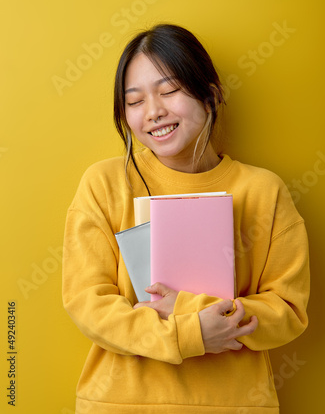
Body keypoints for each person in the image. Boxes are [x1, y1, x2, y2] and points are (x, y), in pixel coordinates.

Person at [62, 23, 310, 414]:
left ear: (210, 95)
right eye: (135, 100)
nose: (154, 111)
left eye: (170, 90)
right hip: (121, 403)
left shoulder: (264, 191)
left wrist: (186, 308)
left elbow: (288, 312)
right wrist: (191, 334)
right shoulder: (105, 183)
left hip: (232, 405)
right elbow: (88, 302)